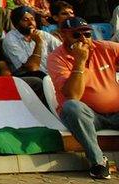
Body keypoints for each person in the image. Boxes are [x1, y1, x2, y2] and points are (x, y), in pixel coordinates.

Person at [48, 17, 119, 180]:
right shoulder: (56, 58)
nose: (83, 39)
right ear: (62, 35)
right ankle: (99, 162)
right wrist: (79, 62)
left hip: (115, 111)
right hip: (87, 115)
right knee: (72, 106)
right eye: (76, 35)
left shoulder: (104, 48)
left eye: (87, 34)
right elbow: (73, 95)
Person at [2, 6, 61, 78]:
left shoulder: (42, 34)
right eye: (25, 20)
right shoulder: (10, 39)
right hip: (29, 78)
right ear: (16, 24)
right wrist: (38, 43)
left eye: (32, 19)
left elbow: (62, 49)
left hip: (51, 75)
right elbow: (31, 68)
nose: (31, 23)